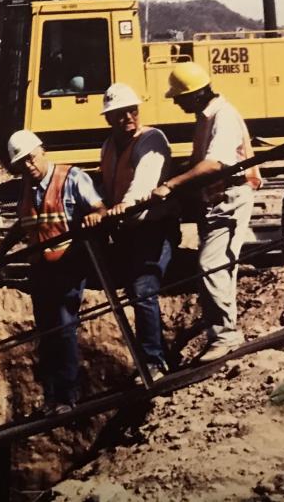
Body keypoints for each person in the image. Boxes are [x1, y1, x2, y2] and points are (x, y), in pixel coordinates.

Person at [151, 62, 262, 363]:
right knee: (218, 265)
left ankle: (226, 336)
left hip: (230, 198)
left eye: (180, 96)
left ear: (196, 94)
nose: (175, 101)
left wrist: (171, 185)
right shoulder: (207, 116)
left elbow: (215, 164)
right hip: (215, 200)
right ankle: (223, 331)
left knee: (211, 264)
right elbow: (199, 162)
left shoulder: (222, 117)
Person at [0, 130, 105, 415]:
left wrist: (95, 215)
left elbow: (99, 207)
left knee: (65, 327)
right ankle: (51, 397)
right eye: (21, 163)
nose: (28, 166)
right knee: (47, 332)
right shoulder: (27, 187)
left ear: (42, 151)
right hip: (40, 269)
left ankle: (68, 396)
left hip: (68, 265)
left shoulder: (73, 178)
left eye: (30, 158)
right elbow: (24, 223)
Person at [99, 83, 176, 380]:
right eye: (120, 113)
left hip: (153, 227)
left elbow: (145, 180)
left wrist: (125, 205)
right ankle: (148, 357)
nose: (128, 117)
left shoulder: (151, 139)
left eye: (132, 111)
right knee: (132, 291)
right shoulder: (108, 146)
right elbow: (107, 185)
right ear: (109, 118)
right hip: (128, 230)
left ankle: (154, 362)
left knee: (144, 290)